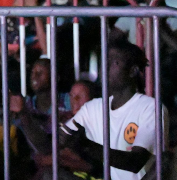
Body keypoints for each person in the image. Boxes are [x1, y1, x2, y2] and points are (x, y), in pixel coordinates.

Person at [58, 40, 168, 180]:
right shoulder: (93, 108)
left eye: (114, 62)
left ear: (132, 71)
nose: (105, 66)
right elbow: (55, 143)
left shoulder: (150, 108)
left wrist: (85, 145)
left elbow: (135, 162)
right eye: (104, 60)